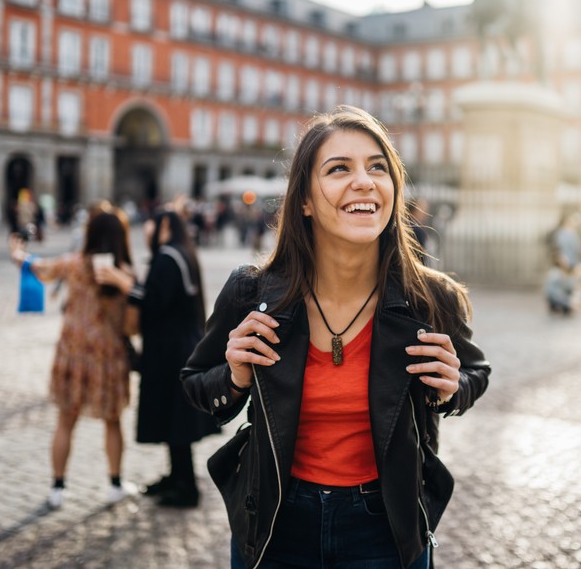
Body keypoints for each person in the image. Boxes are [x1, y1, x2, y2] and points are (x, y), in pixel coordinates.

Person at [180, 106, 491, 569]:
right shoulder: (252, 290)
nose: (364, 181)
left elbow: (474, 371)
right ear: (304, 199)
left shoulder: (430, 297)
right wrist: (236, 375)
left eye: (378, 167)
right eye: (339, 168)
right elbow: (197, 381)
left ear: (392, 190)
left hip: (386, 527)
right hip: (274, 524)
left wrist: (453, 388)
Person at [9, 210, 136, 509]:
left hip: (73, 352)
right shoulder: (125, 273)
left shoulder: (74, 263)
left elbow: (37, 267)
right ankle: (115, 483)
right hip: (109, 355)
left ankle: (57, 487)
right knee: (113, 420)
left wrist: (17, 252)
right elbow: (133, 324)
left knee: (66, 420)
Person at [96, 210, 220, 507]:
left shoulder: (167, 256)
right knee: (172, 418)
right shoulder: (179, 252)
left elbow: (154, 302)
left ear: (163, 224)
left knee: (176, 419)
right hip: (178, 347)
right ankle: (176, 476)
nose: (145, 229)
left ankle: (186, 486)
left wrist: (123, 283)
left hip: (171, 352)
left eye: (149, 223)